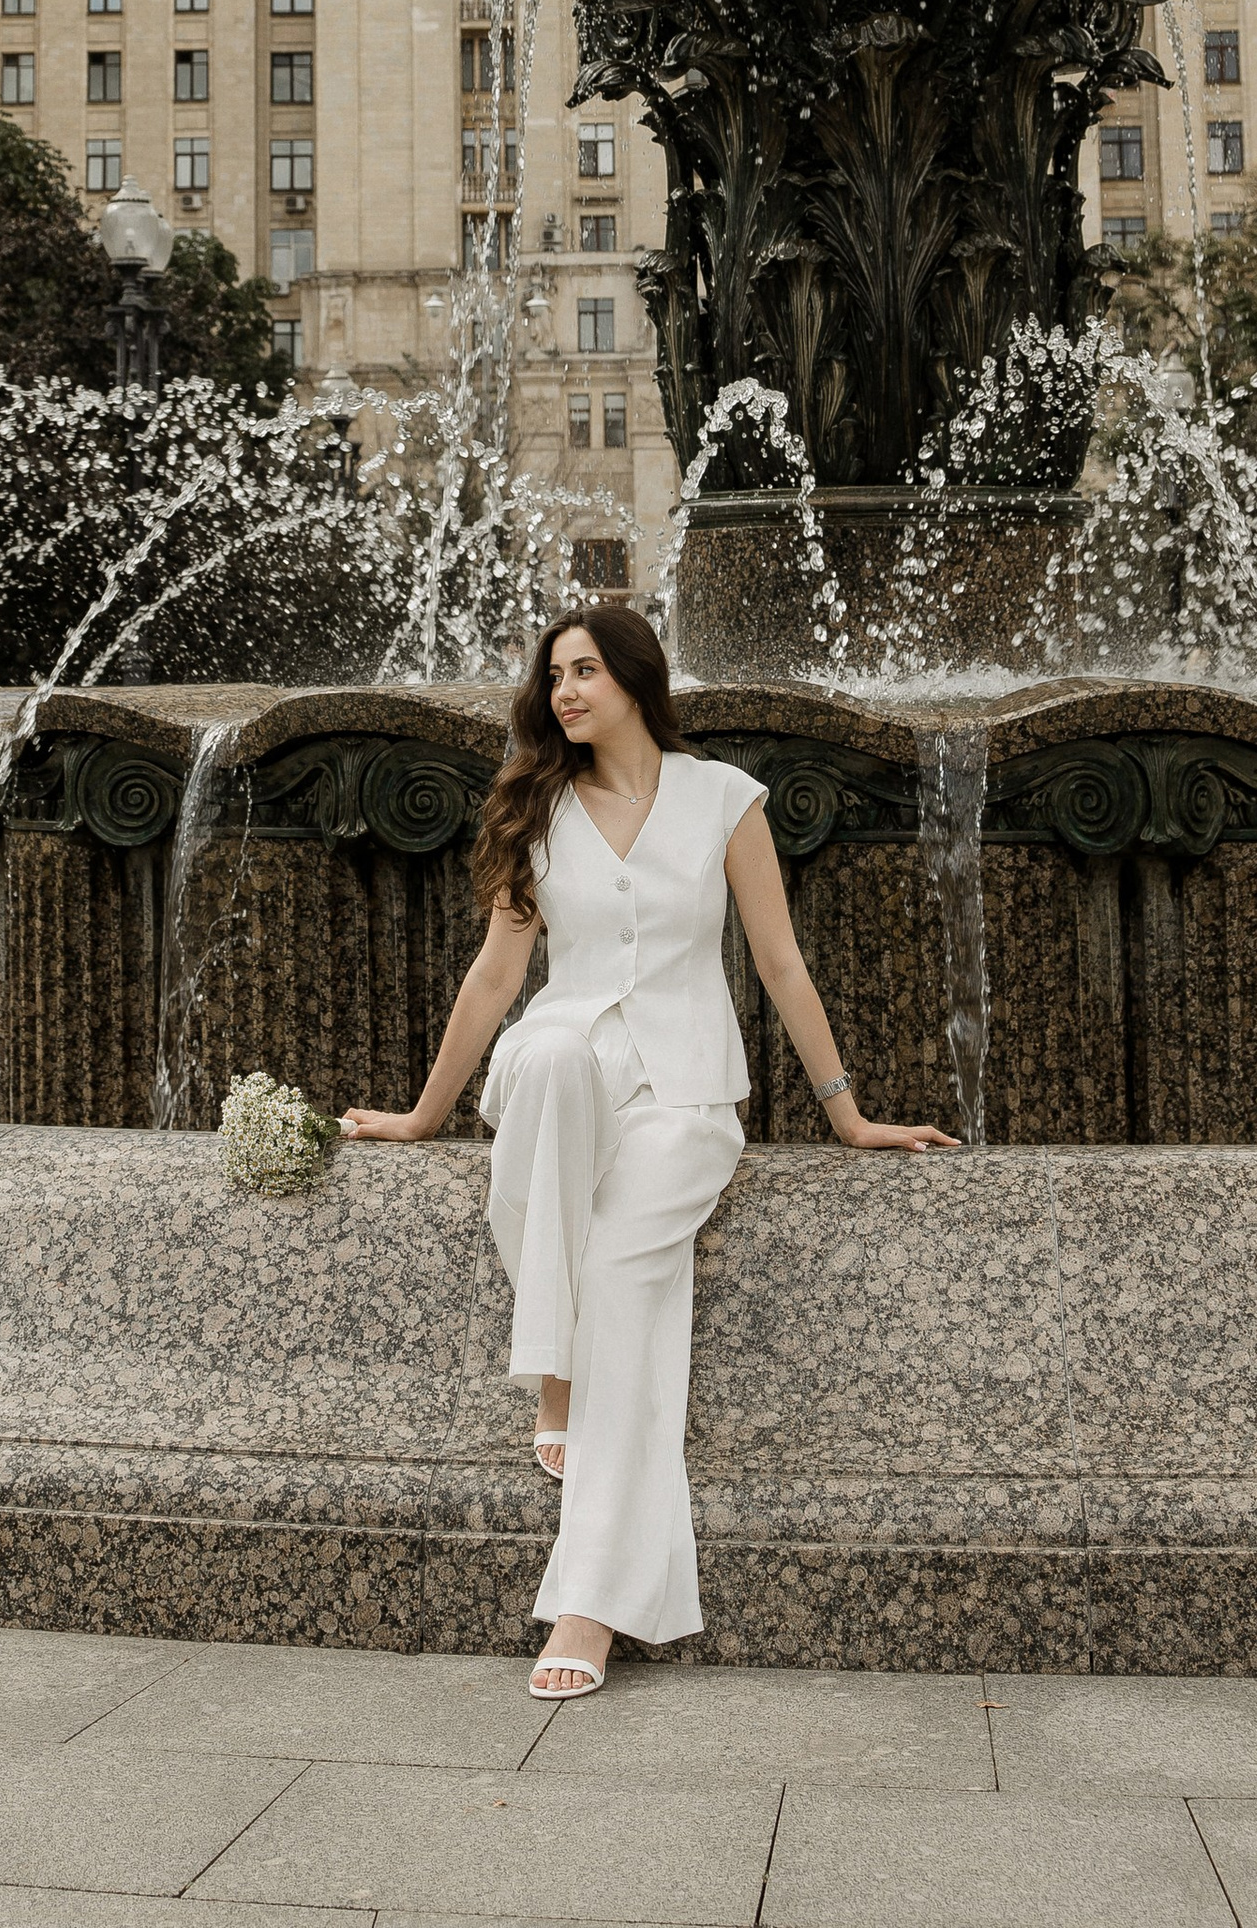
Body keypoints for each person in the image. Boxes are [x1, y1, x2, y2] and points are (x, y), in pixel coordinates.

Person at [342, 602, 955, 1701]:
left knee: (628, 1279)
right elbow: (495, 978)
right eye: (553, 676)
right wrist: (424, 1115)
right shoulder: (536, 810)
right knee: (549, 1055)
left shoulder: (724, 800)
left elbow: (779, 965)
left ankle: (590, 1601)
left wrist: (847, 1115)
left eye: (583, 671)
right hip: (567, 1081)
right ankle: (553, 1373)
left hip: (683, 1099)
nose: (563, 690)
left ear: (633, 678)